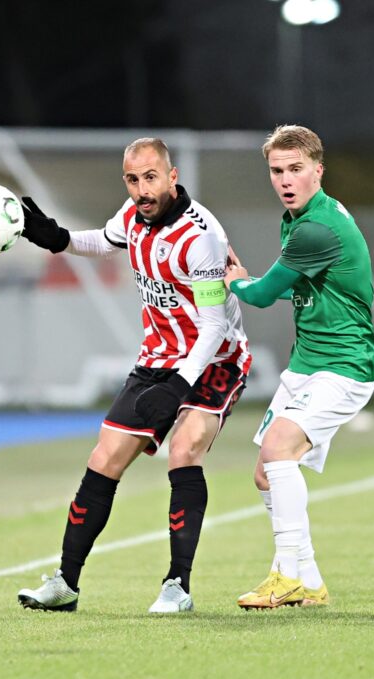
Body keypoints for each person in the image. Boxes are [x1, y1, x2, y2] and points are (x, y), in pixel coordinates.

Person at [15, 138, 251, 614]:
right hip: (156, 357)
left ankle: (177, 586)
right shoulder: (133, 214)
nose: (142, 189)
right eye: (132, 179)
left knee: (183, 450)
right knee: (104, 459)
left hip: (214, 360)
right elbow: (105, 241)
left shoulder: (200, 238)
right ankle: (66, 584)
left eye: (150, 178)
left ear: (172, 176)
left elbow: (214, 325)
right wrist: (58, 238)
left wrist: (179, 388)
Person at [224, 125, 374, 609]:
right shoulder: (298, 218)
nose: (286, 179)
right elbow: (299, 284)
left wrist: (236, 282)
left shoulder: (315, 227)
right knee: (267, 473)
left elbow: (266, 293)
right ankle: (309, 580)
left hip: (344, 366)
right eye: (277, 170)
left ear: (318, 170)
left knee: (277, 448)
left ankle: (285, 574)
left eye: (296, 169)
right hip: (307, 364)